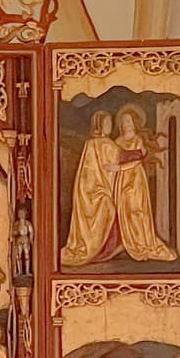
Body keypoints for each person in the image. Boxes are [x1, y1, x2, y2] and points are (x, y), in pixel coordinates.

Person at [110, 107, 176, 263]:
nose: (125, 123)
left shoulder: (138, 139)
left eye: (128, 120)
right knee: (124, 210)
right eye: (123, 121)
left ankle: (141, 242)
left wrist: (120, 168)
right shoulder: (117, 142)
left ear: (134, 122)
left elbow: (137, 160)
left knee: (137, 209)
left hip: (135, 178)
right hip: (122, 179)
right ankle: (129, 241)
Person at [60, 110, 122, 268]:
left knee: (112, 206)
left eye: (110, 123)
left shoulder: (110, 144)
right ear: (99, 125)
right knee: (107, 206)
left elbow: (115, 164)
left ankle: (107, 249)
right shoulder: (92, 144)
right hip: (91, 190)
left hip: (103, 188)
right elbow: (88, 171)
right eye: (107, 123)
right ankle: (94, 248)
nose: (110, 126)